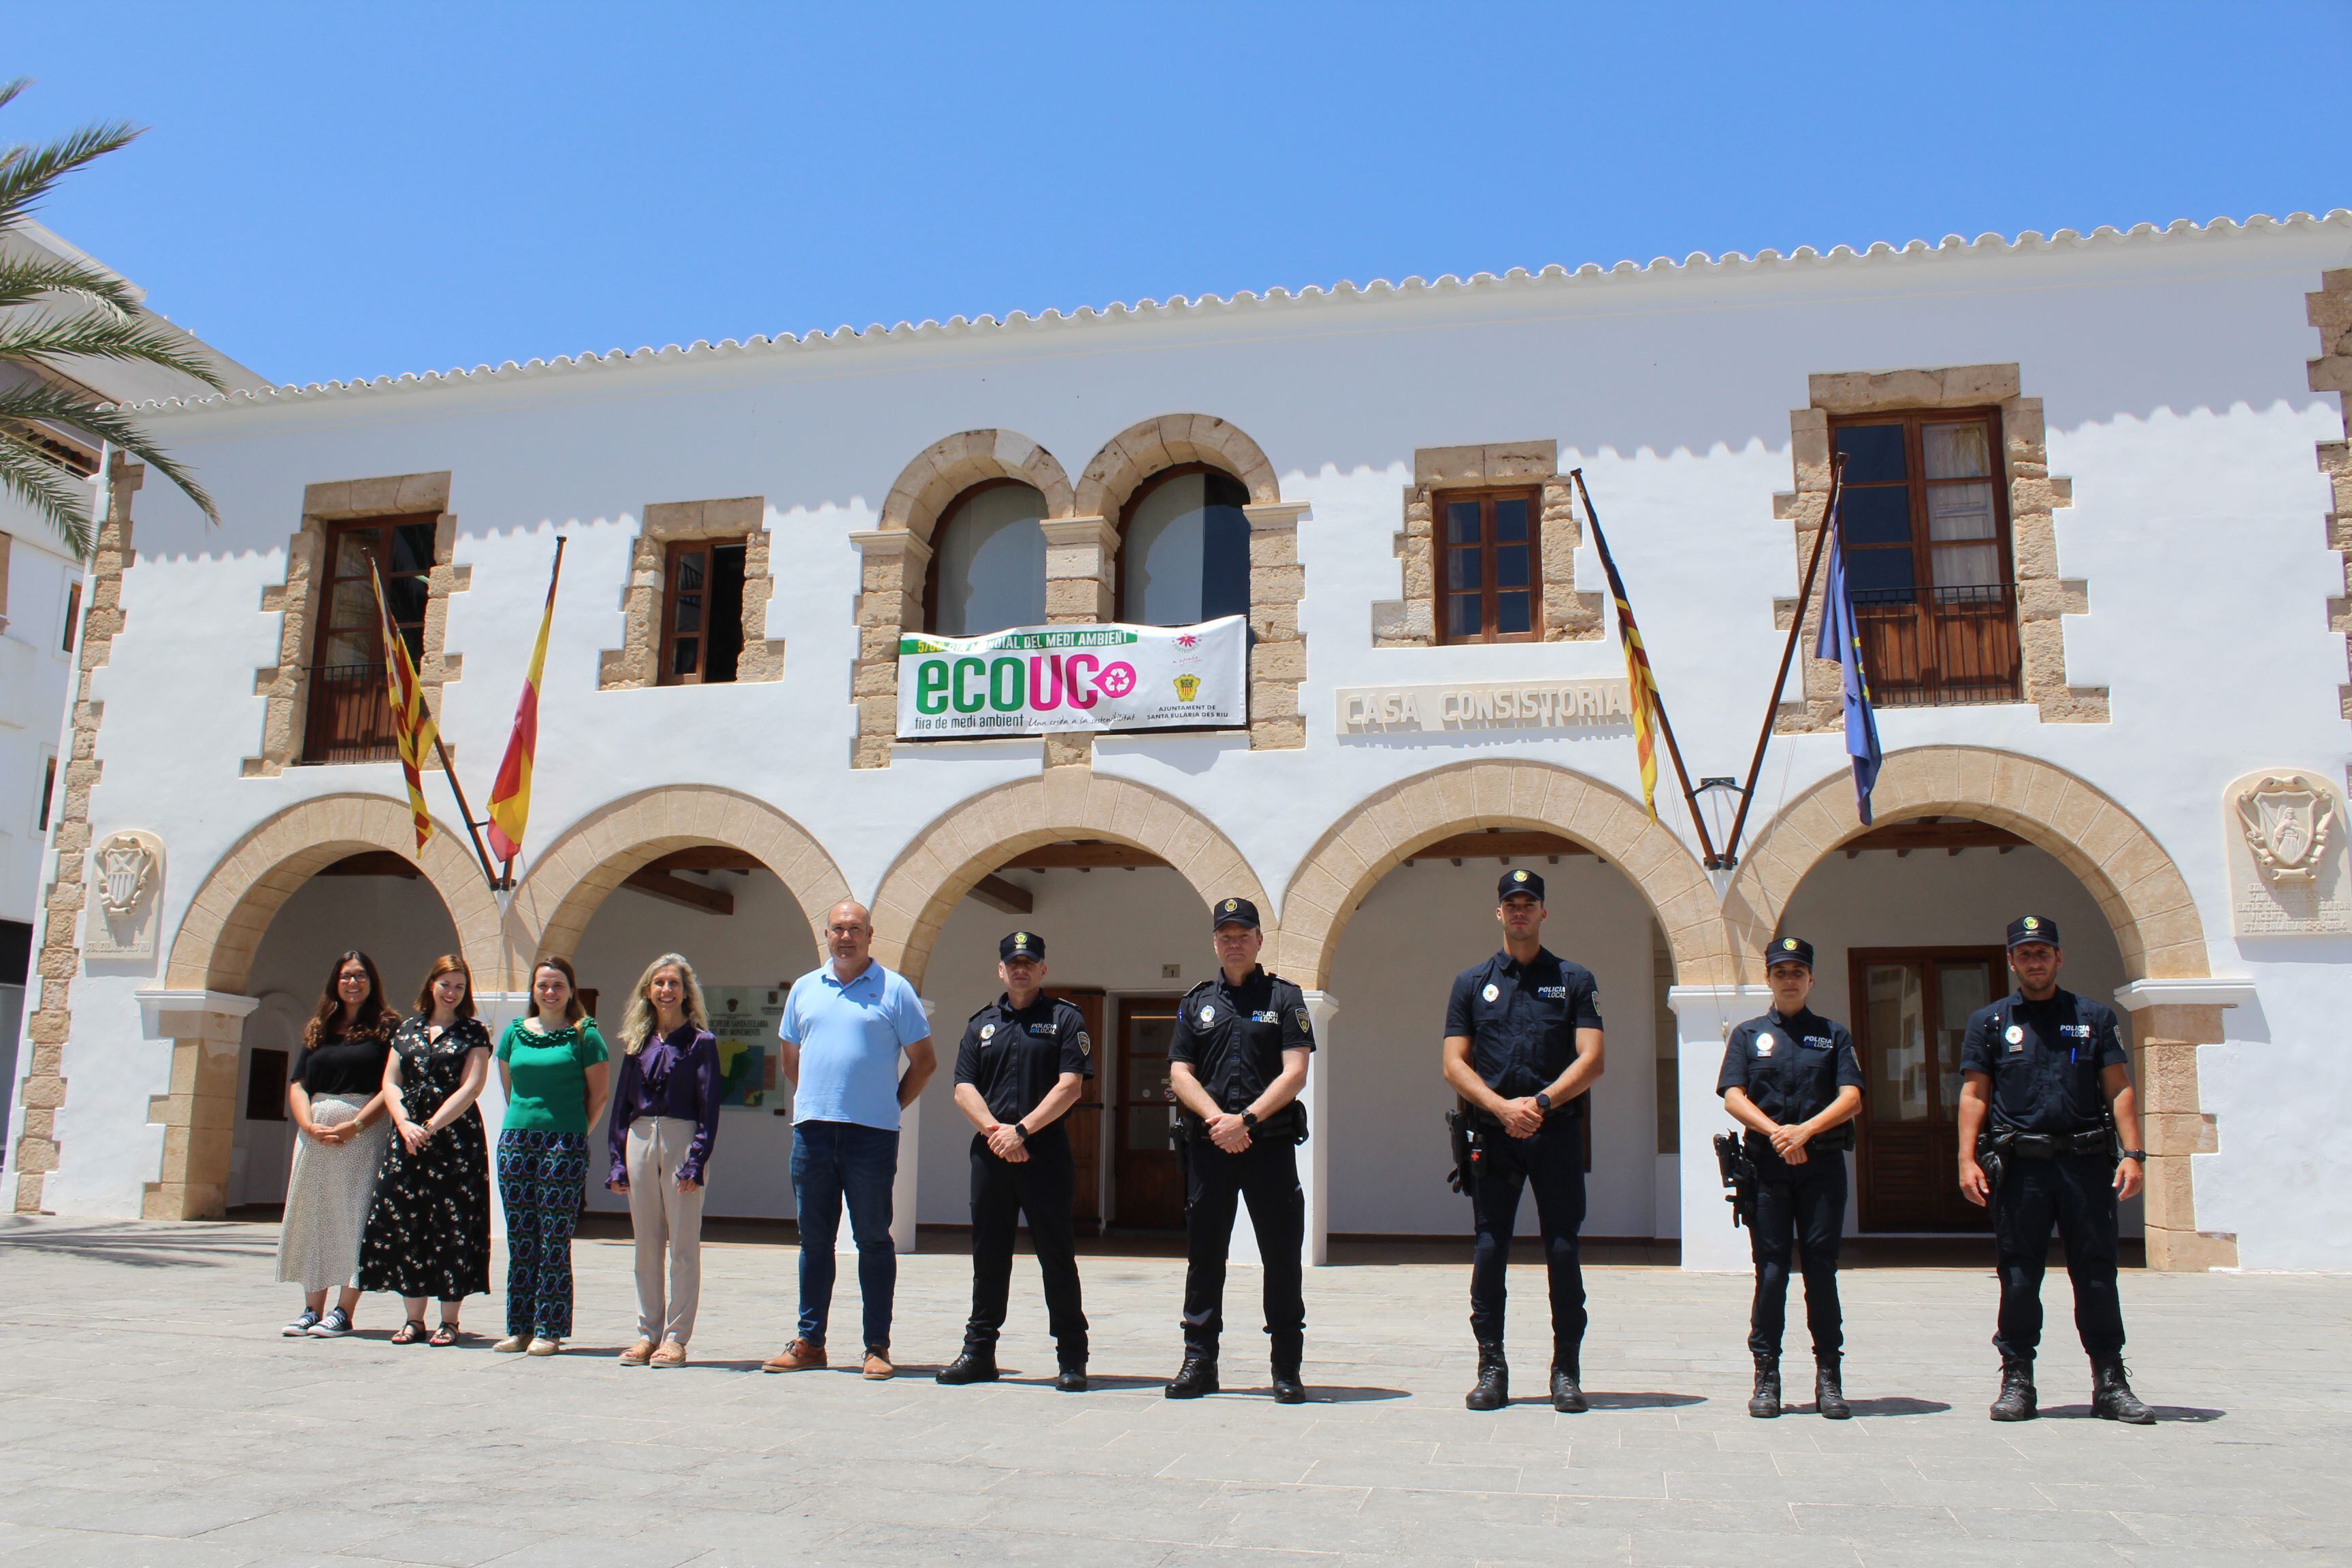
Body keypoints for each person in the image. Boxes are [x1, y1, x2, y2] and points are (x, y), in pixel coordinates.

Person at [1957, 915, 2155, 1424]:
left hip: (2085, 1165)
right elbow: (1975, 1093)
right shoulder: (1992, 1022)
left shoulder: (2093, 1018)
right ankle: (2017, 1379)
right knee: (2020, 1276)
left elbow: (2119, 1088)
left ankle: (2110, 1381)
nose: (2035, 961)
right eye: (2025, 954)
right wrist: (1965, 1159)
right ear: (2012, 961)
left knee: (2096, 1276)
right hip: (2021, 1169)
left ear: (2059, 958)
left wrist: (2133, 1154)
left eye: (2043, 952)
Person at [1441, 868, 1604, 1413]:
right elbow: (1453, 1064)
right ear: (1499, 913)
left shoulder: (1574, 978)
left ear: (1542, 912)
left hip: (1554, 1131)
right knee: (1490, 1248)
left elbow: (1592, 1058)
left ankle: (1566, 1370)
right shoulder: (1471, 983)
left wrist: (1539, 1104)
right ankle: (1491, 1366)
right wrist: (1500, 1107)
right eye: (1511, 903)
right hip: (1493, 1133)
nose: (1519, 911)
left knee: (1563, 1246)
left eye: (1528, 902)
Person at [764, 900, 935, 1381]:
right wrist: (822, 1100)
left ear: (869, 934)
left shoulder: (895, 991)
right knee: (814, 1241)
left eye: (854, 929)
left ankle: (876, 1347)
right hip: (813, 1132)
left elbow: (924, 1062)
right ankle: (809, 1342)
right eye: (838, 929)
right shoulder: (804, 989)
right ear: (826, 935)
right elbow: (791, 1058)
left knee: (873, 1241)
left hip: (872, 1137)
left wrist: (888, 1105)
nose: (845, 937)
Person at [1164, 896, 1315, 1404]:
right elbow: (1179, 1071)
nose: (1234, 942)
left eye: (1243, 934)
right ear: (1215, 942)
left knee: (1281, 1256)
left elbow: (1295, 1072)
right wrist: (1217, 1120)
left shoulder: (1285, 999)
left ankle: (1286, 1368)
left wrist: (1246, 1119)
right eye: (1225, 935)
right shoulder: (1196, 1001)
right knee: (1205, 1256)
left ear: (1259, 940)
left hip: (1267, 1145)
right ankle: (1199, 1362)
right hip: (1211, 1147)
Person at [937, 930, 1093, 1392]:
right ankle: (979, 1353)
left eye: (1030, 962)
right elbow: (963, 1087)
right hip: (992, 1154)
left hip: (1043, 1154)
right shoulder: (980, 1024)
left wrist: (1022, 1131)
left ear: (1044, 969)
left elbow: (1071, 1085)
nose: (1021, 969)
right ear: (1001, 970)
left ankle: (1072, 1357)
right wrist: (997, 1133)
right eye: (1013, 962)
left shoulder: (1065, 1019)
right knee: (989, 1256)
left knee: (1056, 1256)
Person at [1717, 935, 1864, 1419]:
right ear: (1769, 979)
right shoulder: (1747, 1034)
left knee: (1821, 1270)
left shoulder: (1833, 1034)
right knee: (1773, 1272)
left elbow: (1852, 1098)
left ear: (1811, 978)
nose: (1789, 980)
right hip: (1767, 1168)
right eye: (1780, 972)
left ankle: (1829, 1375)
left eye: (1797, 972)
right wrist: (1779, 1133)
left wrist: (1805, 1132)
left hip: (1821, 1167)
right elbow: (1733, 1096)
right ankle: (1767, 1374)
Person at [357, 954, 493, 1345]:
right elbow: (391, 1081)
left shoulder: (474, 1032)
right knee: (406, 1222)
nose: (451, 992)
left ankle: (449, 1320)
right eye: (446, 984)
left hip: (453, 1140)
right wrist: (403, 1123)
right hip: (408, 1140)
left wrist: (431, 1126)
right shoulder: (407, 1029)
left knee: (453, 1224)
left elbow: (471, 1087)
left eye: (459, 986)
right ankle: (413, 1319)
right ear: (431, 984)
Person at [606, 952, 721, 1369]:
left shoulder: (700, 1043)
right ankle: (646, 1334)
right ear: (648, 991)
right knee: (646, 1245)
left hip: (681, 1137)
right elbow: (621, 1104)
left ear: (686, 992)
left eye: (674, 983)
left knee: (684, 1245)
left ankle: (675, 1338)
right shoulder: (637, 1041)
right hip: (640, 1137)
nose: (666, 990)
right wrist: (617, 1159)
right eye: (659, 983)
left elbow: (709, 1106)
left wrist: (697, 1159)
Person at [493, 956, 610, 1357]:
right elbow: (509, 1088)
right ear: (533, 990)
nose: (550, 992)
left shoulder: (585, 1035)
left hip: (564, 1144)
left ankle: (550, 1327)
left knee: (553, 1238)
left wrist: (576, 1132)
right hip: (516, 1142)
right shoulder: (513, 1034)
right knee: (520, 1235)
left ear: (571, 990)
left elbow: (598, 1096)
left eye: (558, 985)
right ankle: (519, 1326)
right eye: (543, 984)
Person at [278, 950, 397, 1338]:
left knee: (353, 1219)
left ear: (372, 982)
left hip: (362, 1137)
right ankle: (312, 1308)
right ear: (335, 981)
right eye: (346, 976)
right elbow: (299, 1083)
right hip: (315, 1138)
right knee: (315, 1217)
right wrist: (309, 1125)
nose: (353, 982)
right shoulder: (319, 1028)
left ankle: (343, 1312)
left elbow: (391, 1087)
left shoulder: (386, 1028)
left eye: (361, 975)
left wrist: (358, 1125)